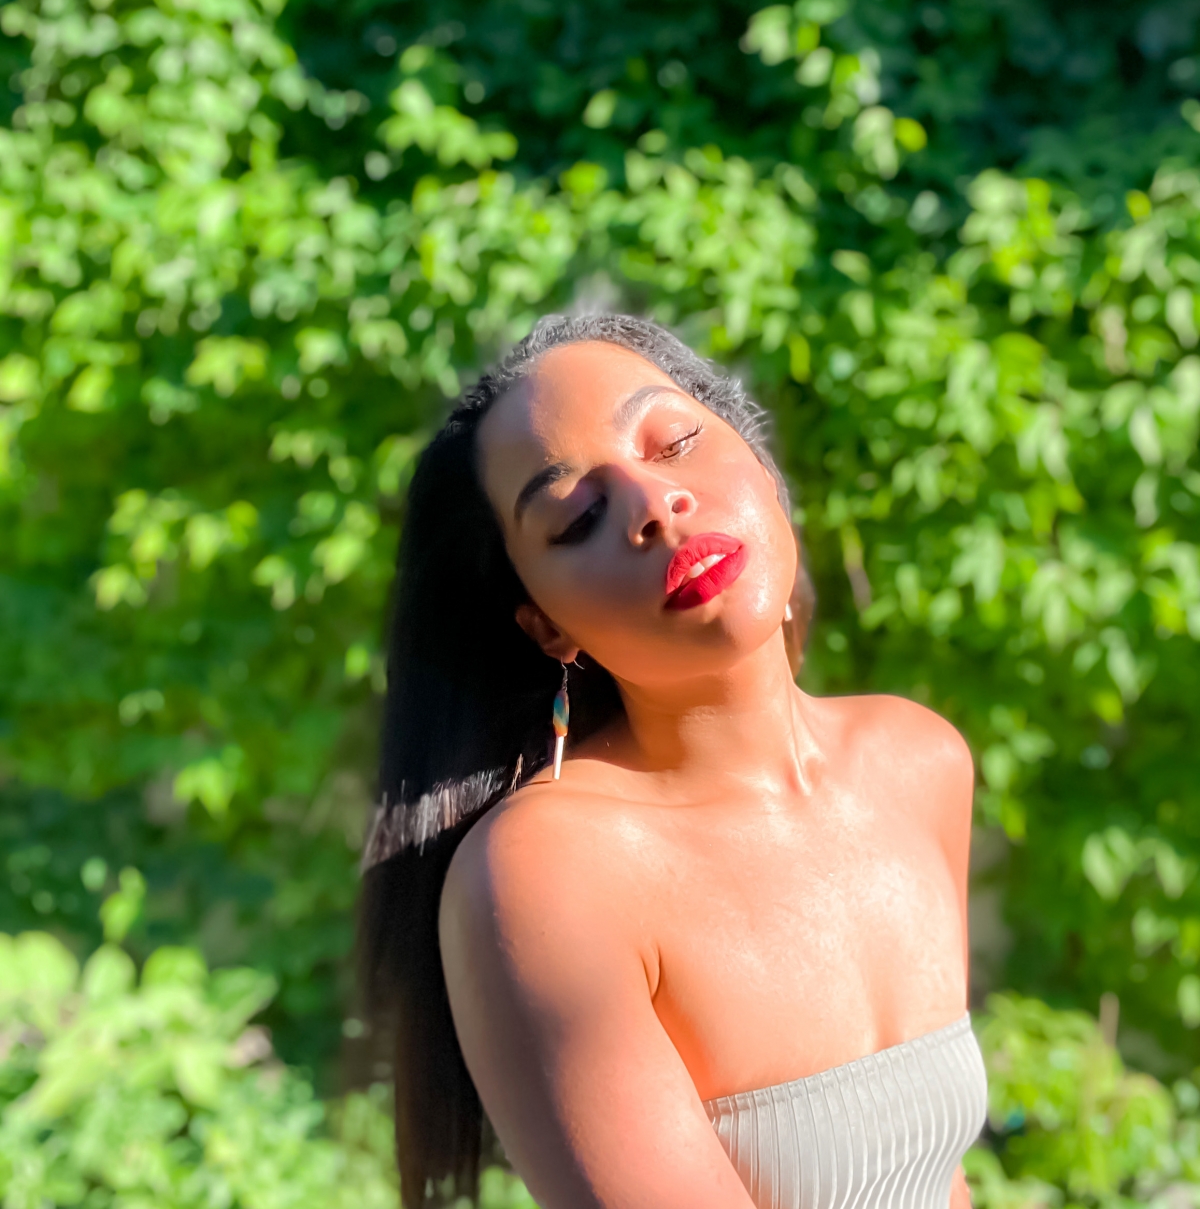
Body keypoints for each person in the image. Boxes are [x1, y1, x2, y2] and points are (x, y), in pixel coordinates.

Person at [361, 313, 984, 1209]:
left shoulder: (918, 761)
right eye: (578, 518)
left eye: (676, 443)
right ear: (546, 624)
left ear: (762, 466)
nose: (653, 503)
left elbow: (941, 1181)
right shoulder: (549, 873)